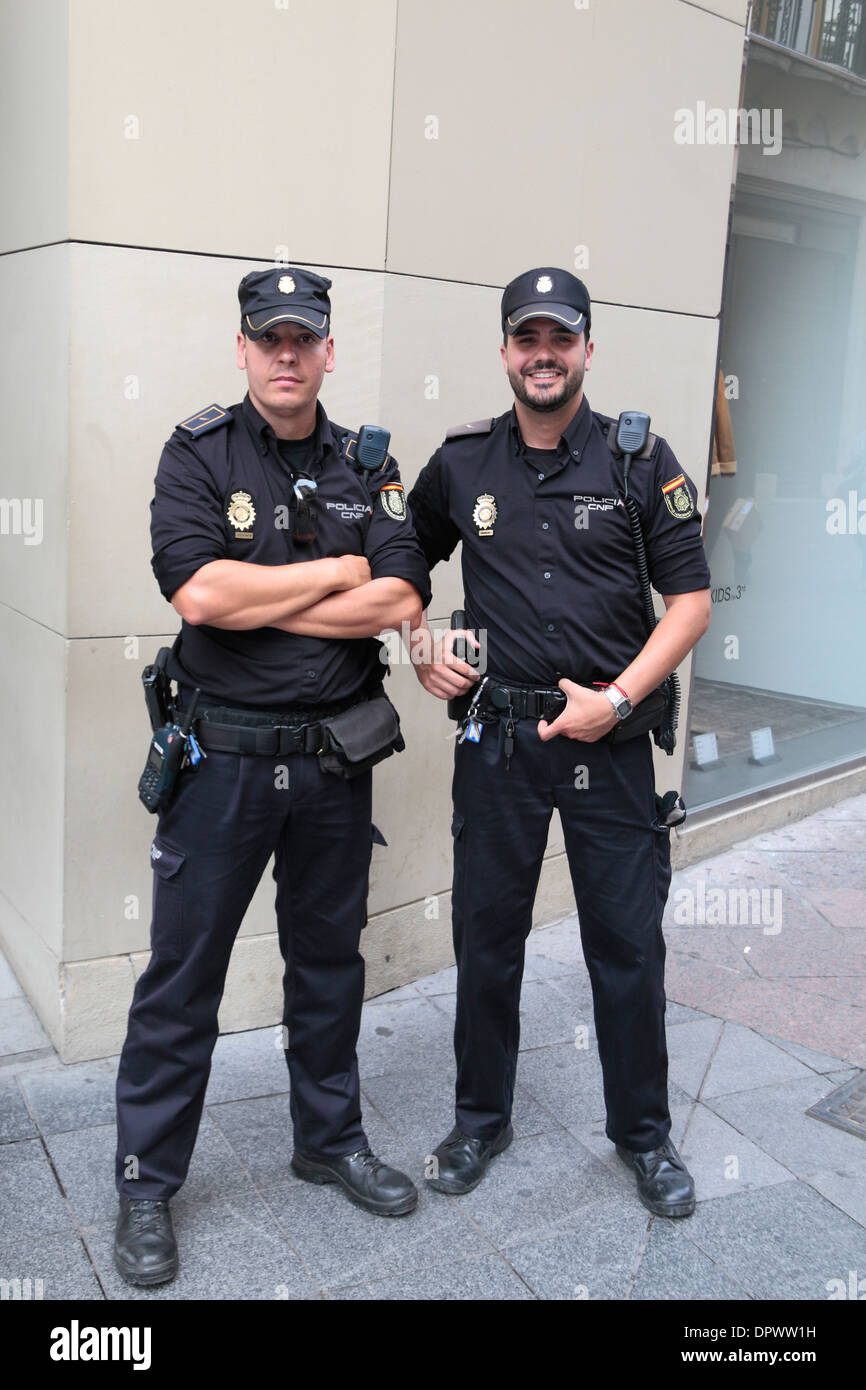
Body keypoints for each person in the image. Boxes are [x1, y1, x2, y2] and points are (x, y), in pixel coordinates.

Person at [114, 267, 431, 1286]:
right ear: (243, 348)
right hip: (223, 763)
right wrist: (337, 571)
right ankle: (146, 1183)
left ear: (328, 350)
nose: (285, 354)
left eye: (303, 338)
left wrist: (279, 593)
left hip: (335, 762)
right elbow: (200, 593)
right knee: (183, 979)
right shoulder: (197, 451)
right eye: (268, 338)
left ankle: (328, 1141)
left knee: (329, 964)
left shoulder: (370, 464)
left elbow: (400, 595)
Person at [406, 267, 711, 1217]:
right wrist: (417, 643)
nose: (544, 356)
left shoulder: (639, 460)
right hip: (497, 738)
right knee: (486, 938)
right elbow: (402, 557)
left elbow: (691, 603)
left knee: (626, 945)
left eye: (561, 339)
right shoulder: (462, 463)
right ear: (505, 351)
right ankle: (479, 1121)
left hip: (606, 741)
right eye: (527, 338)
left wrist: (617, 700)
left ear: (587, 349)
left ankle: (644, 1137)